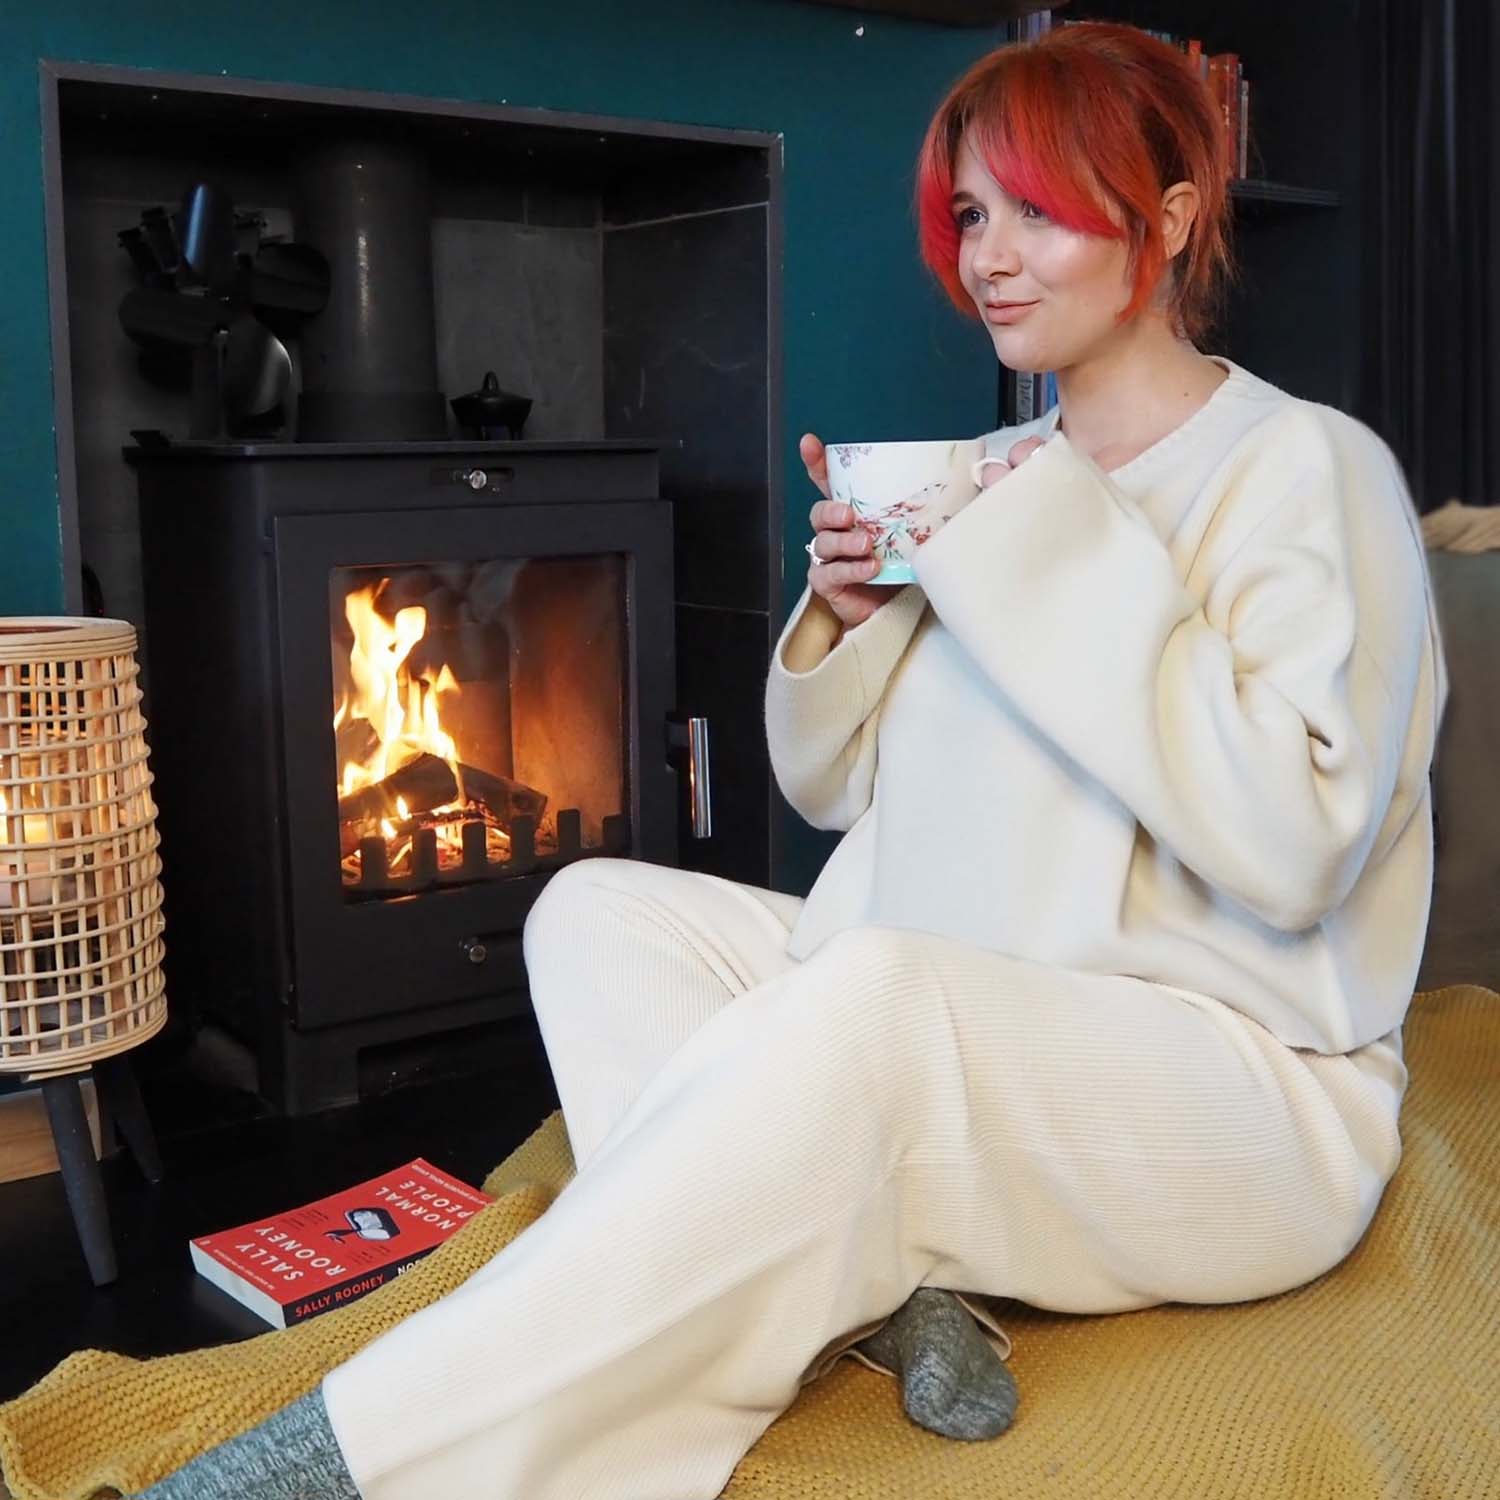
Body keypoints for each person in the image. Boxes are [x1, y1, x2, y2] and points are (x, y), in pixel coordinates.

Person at [135, 20, 1447, 1500]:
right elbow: (837, 796)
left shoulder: (1303, 468)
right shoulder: (992, 482)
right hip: (979, 1006)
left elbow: (1299, 840)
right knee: (595, 914)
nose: (990, 258)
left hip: (1232, 1086)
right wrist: (852, 621)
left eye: (1038, 209)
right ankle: (890, 1291)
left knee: (873, 1008)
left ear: (1177, 216)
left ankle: (351, 1459)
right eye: (971, 215)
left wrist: (1040, 549)